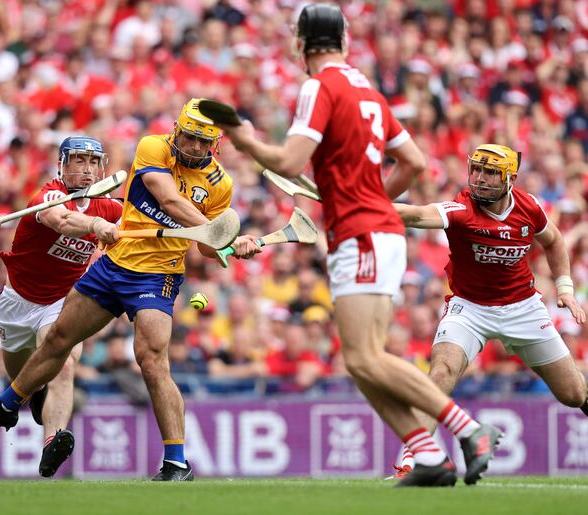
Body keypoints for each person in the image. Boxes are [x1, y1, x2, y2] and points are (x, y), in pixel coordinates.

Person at [217, 4, 502, 487]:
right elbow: (413, 163)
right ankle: (428, 455)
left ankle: (468, 429)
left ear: (302, 44)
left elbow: (288, 162)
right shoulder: (368, 88)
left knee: (365, 358)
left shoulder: (320, 85)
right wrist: (375, 199)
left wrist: (244, 138)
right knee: (362, 361)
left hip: (362, 235)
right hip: (376, 230)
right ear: (345, 42)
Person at [0, 99, 260, 481]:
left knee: (151, 359)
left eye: (202, 141)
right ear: (178, 130)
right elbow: (166, 197)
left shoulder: (220, 185)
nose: (194, 146)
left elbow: (208, 249)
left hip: (157, 275)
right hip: (114, 266)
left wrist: (230, 244)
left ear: (215, 144)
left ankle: (176, 462)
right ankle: (7, 405)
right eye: (190, 137)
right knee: (59, 339)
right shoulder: (153, 146)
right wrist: (218, 230)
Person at [392, 143, 588, 475]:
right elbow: (416, 214)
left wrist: (565, 289)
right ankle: (412, 458)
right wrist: (363, 205)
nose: (480, 178)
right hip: (468, 308)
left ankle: (579, 384)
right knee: (442, 371)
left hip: (523, 308)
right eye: (476, 169)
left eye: (490, 172)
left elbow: (555, 241)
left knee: (572, 395)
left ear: (510, 179)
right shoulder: (460, 208)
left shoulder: (530, 207)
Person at [0, 136, 122, 478]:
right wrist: (97, 226)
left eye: (94, 162)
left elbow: (142, 222)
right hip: (18, 302)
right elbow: (63, 221)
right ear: (62, 165)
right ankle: (36, 392)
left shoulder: (109, 206)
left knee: (64, 364)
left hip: (62, 300)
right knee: (21, 376)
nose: (88, 169)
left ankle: (52, 441)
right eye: (79, 161)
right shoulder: (49, 196)